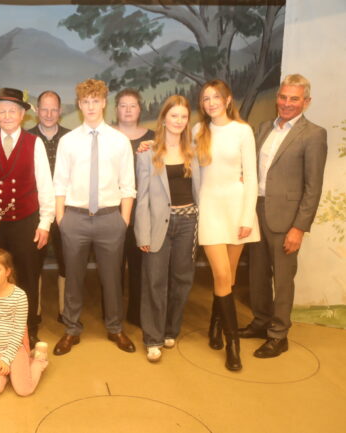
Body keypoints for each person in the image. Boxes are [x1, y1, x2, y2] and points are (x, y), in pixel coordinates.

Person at [242, 74, 327, 358]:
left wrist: (299, 228)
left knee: (282, 279)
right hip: (257, 212)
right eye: (283, 97)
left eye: (294, 99)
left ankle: (279, 335)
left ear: (306, 102)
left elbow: (313, 188)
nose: (287, 103)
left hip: (286, 220)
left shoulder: (313, 135)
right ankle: (261, 322)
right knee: (257, 275)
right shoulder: (264, 128)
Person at [53, 79, 136, 356]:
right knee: (73, 278)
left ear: (104, 103)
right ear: (79, 105)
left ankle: (115, 328)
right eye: (85, 102)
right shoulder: (68, 141)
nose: (90, 106)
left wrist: (123, 221)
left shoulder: (119, 141)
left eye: (95, 101)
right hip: (75, 219)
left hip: (110, 218)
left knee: (112, 278)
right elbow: (60, 183)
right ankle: (71, 329)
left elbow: (128, 185)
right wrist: (61, 220)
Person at [0, 87, 55, 348]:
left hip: (26, 222)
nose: (7, 115)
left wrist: (45, 223)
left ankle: (29, 328)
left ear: (23, 115)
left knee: (27, 276)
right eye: (2, 111)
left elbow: (45, 185)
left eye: (12, 111)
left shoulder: (34, 143)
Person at [193, 79, 260, 372]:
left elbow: (252, 177)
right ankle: (234, 346)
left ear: (228, 99)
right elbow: (192, 171)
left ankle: (215, 324)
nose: (211, 103)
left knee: (228, 278)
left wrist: (247, 217)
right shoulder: (198, 130)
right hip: (209, 208)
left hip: (237, 208)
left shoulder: (243, 131)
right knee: (221, 274)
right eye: (206, 98)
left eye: (215, 97)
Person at [135, 95, 200, 362]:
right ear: (164, 118)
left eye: (184, 116)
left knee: (182, 280)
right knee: (155, 281)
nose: (179, 121)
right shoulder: (148, 153)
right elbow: (142, 197)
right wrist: (142, 232)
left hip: (188, 223)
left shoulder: (195, 150)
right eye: (174, 115)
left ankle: (171, 329)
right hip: (159, 224)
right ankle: (153, 338)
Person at [0, 249, 49, 396]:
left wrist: (6, 359)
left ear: (8, 271)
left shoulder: (19, 296)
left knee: (24, 390)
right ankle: (12, 371)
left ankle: (38, 360)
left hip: (14, 349)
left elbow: (18, 331)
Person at [113, 88, 155, 326]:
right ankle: (113, 314)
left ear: (140, 109)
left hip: (144, 212)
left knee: (140, 265)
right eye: (123, 105)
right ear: (115, 109)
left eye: (133, 105)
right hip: (112, 211)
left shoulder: (153, 138)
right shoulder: (107, 136)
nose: (128, 110)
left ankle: (137, 313)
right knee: (113, 266)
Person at [27, 90, 70, 322]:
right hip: (36, 212)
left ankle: (65, 311)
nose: (49, 114)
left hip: (67, 210)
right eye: (44, 109)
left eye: (54, 109)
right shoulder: (27, 139)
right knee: (33, 262)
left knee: (67, 260)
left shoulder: (72, 138)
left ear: (60, 111)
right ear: (37, 110)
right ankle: (34, 313)